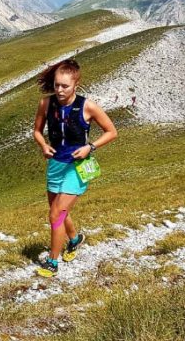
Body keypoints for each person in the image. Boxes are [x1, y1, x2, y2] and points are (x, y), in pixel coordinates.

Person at [32, 58, 117, 277]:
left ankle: (52, 261)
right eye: (57, 85)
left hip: (78, 168)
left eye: (65, 86)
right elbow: (37, 131)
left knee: (56, 215)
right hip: (55, 165)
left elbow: (111, 131)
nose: (59, 90)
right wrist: (43, 145)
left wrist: (91, 147)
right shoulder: (46, 104)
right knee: (59, 211)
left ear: (75, 86)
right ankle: (75, 239)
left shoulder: (87, 106)